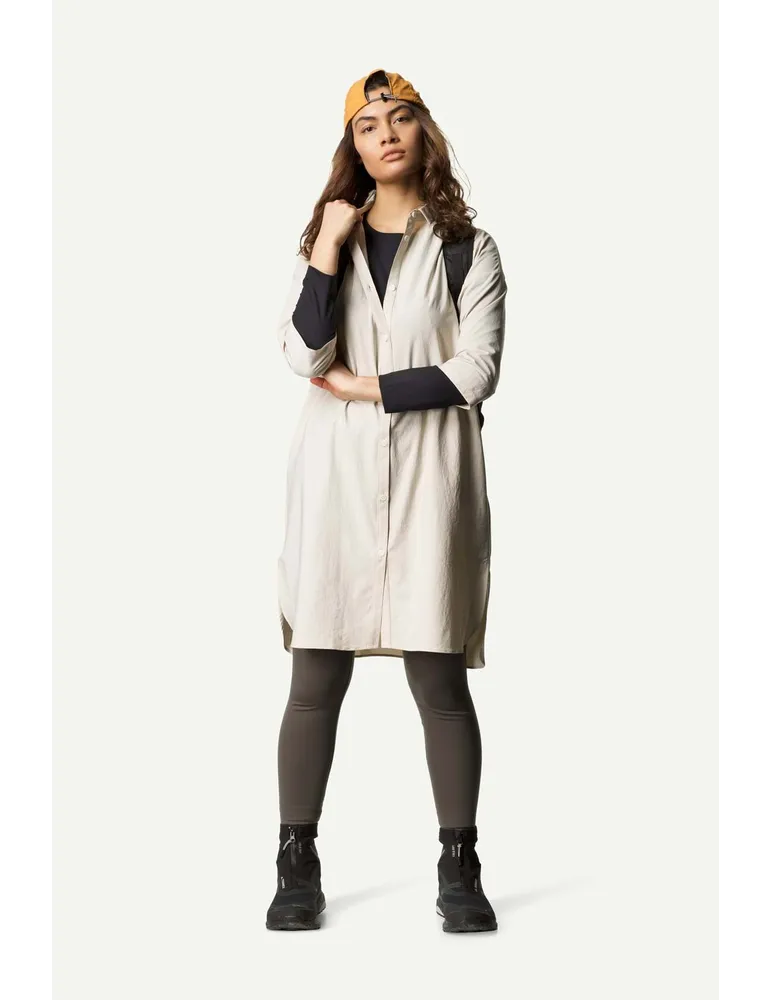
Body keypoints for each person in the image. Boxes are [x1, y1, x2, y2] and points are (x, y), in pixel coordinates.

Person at [267, 68, 508, 933]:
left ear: (422, 132)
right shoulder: (328, 240)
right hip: (334, 479)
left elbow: (475, 371)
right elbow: (302, 356)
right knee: (315, 673)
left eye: (399, 118)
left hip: (432, 478)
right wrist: (327, 246)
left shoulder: (465, 248)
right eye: (368, 126)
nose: (386, 134)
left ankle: (459, 865)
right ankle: (295, 860)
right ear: (354, 147)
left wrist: (366, 387)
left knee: (437, 673)